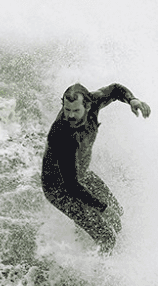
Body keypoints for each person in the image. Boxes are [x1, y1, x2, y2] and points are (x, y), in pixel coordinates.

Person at [41, 82, 150, 252]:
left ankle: (92, 239)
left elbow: (115, 89)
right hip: (59, 189)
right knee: (107, 237)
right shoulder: (61, 133)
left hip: (81, 174)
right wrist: (103, 208)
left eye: (76, 111)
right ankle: (99, 274)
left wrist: (132, 100)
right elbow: (71, 185)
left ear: (88, 105)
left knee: (117, 213)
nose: (70, 115)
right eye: (67, 110)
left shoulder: (95, 101)